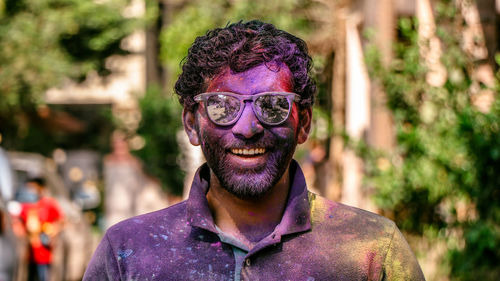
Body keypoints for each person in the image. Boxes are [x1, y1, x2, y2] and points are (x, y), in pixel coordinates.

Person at [83, 20, 425, 280]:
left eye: (272, 105)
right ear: (192, 123)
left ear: (303, 123)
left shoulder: (372, 251)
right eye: (222, 106)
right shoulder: (128, 253)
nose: (248, 128)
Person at [19, 177, 63, 281]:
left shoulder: (49, 204)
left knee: (43, 276)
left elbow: (61, 221)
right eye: (29, 188)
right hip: (29, 253)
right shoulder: (25, 206)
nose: (31, 190)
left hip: (44, 253)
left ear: (41, 188)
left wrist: (53, 231)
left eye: (33, 187)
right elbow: (19, 224)